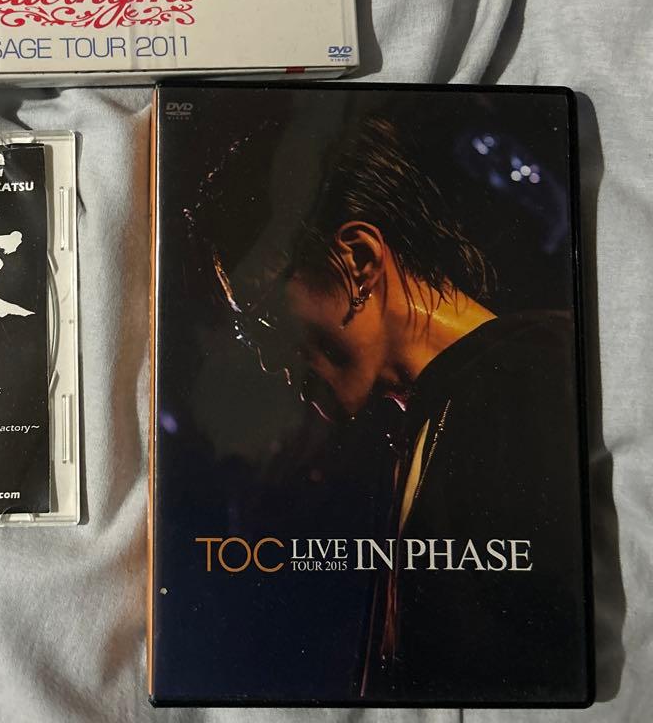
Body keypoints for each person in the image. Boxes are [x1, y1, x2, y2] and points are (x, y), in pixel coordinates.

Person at [208, 111, 589, 702]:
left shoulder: (536, 373)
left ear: (358, 260)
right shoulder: (444, 412)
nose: (265, 359)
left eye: (260, 319)